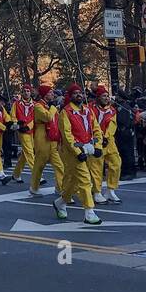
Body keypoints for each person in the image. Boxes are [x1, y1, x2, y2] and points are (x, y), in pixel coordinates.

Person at [57, 85, 102, 225]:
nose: (78, 95)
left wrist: (98, 146)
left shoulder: (88, 111)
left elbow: (96, 129)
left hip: (87, 149)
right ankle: (89, 211)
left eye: (80, 93)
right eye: (75, 93)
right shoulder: (66, 112)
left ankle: (61, 202)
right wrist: (78, 152)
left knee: (73, 181)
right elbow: (67, 135)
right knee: (84, 179)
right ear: (70, 96)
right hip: (72, 152)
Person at [92, 85, 122, 204]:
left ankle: (111, 189)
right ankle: (97, 191)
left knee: (116, 163)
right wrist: (99, 137)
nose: (106, 98)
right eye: (104, 96)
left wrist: (107, 136)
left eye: (107, 96)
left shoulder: (112, 110)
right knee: (96, 167)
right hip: (96, 141)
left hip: (109, 141)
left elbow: (112, 125)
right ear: (98, 97)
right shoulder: (91, 109)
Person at [8, 84, 35, 185]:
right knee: (29, 152)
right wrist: (16, 123)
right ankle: (36, 174)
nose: (26, 92)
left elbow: (35, 118)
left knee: (25, 154)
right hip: (21, 131)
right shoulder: (16, 104)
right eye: (24, 91)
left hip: (31, 130)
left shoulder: (35, 104)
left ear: (30, 92)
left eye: (28, 91)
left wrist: (29, 126)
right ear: (22, 92)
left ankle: (16, 174)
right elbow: (13, 115)